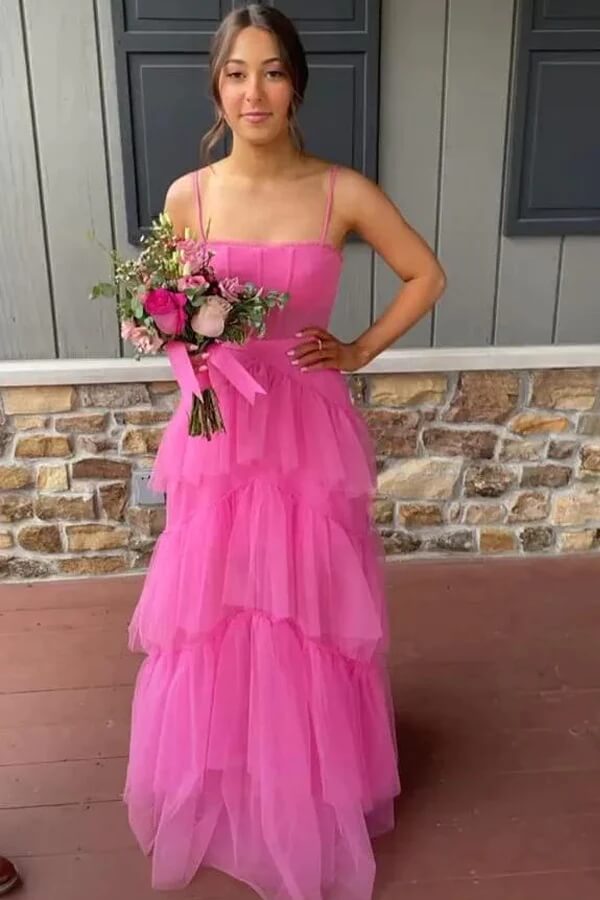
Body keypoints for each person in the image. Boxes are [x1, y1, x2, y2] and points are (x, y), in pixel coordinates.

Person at [123, 4, 446, 898]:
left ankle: (305, 778)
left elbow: (426, 274)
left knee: (304, 607)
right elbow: (164, 304)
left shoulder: (342, 191)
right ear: (217, 87)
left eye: (271, 71)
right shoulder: (189, 196)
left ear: (296, 83)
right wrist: (176, 338)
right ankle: (227, 766)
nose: (254, 91)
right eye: (237, 73)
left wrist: (359, 348)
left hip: (305, 425)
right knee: (218, 602)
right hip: (222, 425)